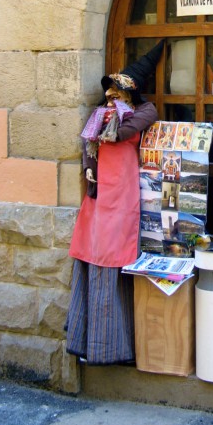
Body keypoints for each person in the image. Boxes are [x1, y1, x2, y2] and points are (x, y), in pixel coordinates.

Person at [65, 40, 165, 365]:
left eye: (118, 91)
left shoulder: (140, 112)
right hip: (99, 193)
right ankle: (88, 339)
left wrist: (115, 116)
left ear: (130, 92)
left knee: (113, 254)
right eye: (110, 91)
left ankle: (113, 344)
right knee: (93, 253)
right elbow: (88, 144)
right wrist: (88, 168)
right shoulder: (100, 114)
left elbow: (122, 133)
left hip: (122, 193)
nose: (112, 96)